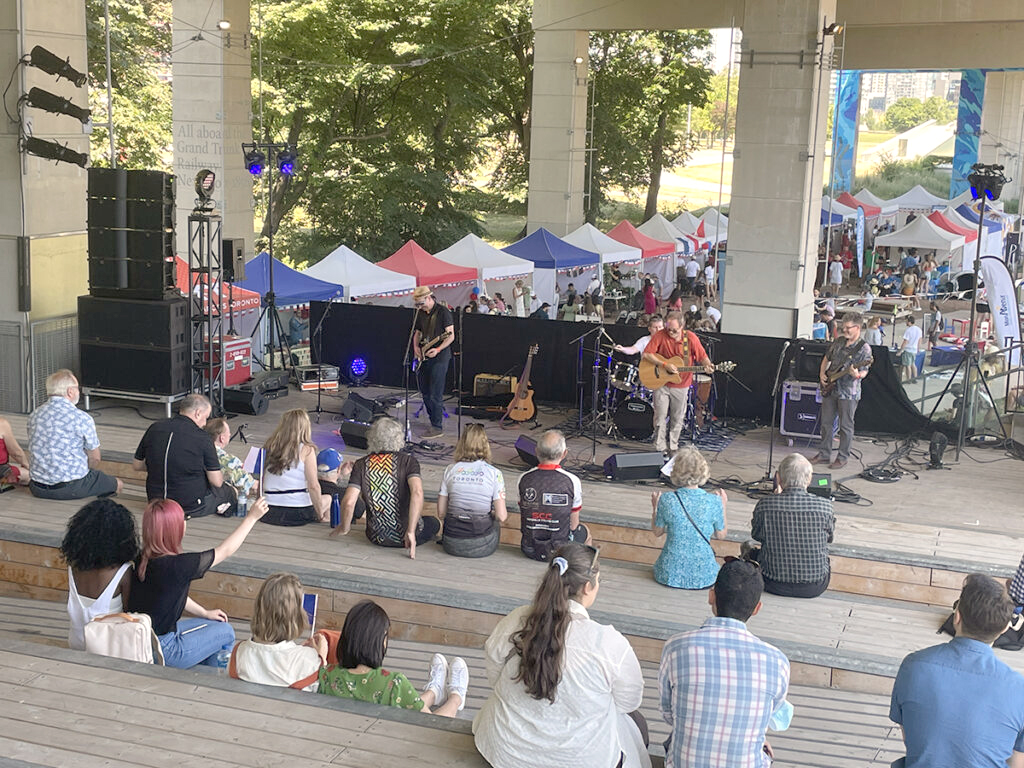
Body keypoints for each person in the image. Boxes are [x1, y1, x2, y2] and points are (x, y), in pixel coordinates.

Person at [474, 543, 651, 768]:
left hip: (505, 749)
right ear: (588, 587)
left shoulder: (519, 618)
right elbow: (628, 701)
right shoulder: (608, 642)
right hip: (578, 760)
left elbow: (493, 656)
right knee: (637, 725)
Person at [659, 559, 791, 768]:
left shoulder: (676, 647)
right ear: (757, 608)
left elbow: (669, 713)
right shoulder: (777, 661)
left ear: (711, 596)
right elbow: (770, 717)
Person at [890, 574, 1024, 768]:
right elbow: (1017, 761)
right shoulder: (1019, 688)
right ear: (1004, 628)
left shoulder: (914, 665)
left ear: (957, 617)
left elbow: (910, 736)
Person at [127, 495, 269, 668]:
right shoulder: (179, 565)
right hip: (165, 651)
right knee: (226, 632)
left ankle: (202, 672)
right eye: (183, 519)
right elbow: (225, 551)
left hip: (139, 640)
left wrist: (204, 612)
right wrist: (251, 518)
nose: (186, 522)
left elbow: (171, 594)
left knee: (215, 623)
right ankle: (210, 677)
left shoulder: (142, 558)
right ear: (174, 529)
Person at [319, 599, 468, 716]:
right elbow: (430, 723)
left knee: (409, 701)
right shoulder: (394, 682)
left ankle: (434, 692)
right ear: (379, 641)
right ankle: (456, 696)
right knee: (433, 716)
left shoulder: (327, 674)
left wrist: (321, 656)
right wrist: (454, 699)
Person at [332, 417, 440, 558]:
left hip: (376, 537)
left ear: (372, 438)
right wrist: (411, 532)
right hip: (406, 538)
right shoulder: (408, 462)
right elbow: (417, 493)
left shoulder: (361, 464)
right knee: (434, 522)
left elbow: (348, 502)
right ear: (399, 438)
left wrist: (344, 528)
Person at [747, 453, 834, 598]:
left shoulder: (764, 505)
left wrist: (775, 499)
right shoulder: (825, 507)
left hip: (771, 582)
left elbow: (757, 535)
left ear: (778, 478)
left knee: (749, 548)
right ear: (810, 479)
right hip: (815, 586)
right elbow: (829, 538)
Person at [133, 393, 235, 518]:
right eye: (206, 417)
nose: (204, 423)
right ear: (198, 413)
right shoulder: (202, 437)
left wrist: (161, 464)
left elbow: (137, 465)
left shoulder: (155, 428)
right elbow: (217, 482)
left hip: (155, 502)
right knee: (229, 491)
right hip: (189, 506)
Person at [27, 369, 121, 500]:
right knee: (117, 484)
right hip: (70, 488)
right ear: (70, 391)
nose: (79, 391)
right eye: (77, 388)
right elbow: (95, 458)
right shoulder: (82, 418)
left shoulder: (34, 415)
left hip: (37, 487)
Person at [60, 498, 140, 650]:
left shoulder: (73, 565)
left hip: (76, 643)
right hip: (107, 647)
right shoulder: (123, 572)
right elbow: (130, 611)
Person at [231, 572, 324, 691]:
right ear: (295, 615)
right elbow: (323, 688)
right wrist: (322, 657)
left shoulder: (239, 652)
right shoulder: (308, 659)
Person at [651, 446, 728, 589]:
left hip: (669, 573)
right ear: (703, 471)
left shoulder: (667, 500)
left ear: (675, 470)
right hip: (705, 575)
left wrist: (655, 508)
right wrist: (723, 507)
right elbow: (721, 535)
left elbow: (657, 532)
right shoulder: (714, 501)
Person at [642, 311, 714, 454]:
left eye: (674, 330)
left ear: (682, 326)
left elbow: (702, 356)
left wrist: (708, 365)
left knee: (677, 417)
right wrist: (664, 365)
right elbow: (647, 354)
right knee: (659, 417)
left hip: (682, 384)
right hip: (661, 383)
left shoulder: (691, 338)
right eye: (668, 329)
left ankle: (673, 446)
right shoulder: (660, 335)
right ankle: (659, 448)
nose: (670, 332)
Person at [518, 430, 591, 561]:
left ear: (536, 451)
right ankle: (584, 572)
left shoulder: (523, 478)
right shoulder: (572, 481)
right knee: (584, 530)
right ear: (564, 454)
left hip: (529, 548)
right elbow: (573, 525)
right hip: (559, 552)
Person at [437, 424, 508, 558]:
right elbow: (502, 516)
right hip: (481, 546)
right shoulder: (494, 473)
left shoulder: (450, 469)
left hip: (451, 544)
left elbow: (441, 513)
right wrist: (490, 513)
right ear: (485, 444)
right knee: (495, 522)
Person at [814, 312, 873, 470]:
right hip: (830, 388)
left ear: (857, 328)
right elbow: (827, 358)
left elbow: (865, 370)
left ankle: (842, 457)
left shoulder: (864, 349)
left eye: (848, 328)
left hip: (848, 392)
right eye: (843, 327)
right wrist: (821, 374)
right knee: (826, 423)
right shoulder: (839, 342)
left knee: (846, 426)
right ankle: (824, 454)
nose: (844, 330)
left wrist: (857, 375)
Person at [260, 409, 329, 526]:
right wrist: (319, 514)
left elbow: (261, 478)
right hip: (297, 511)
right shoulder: (307, 449)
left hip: (268, 510)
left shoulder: (269, 446)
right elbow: (313, 486)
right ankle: (323, 521)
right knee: (328, 499)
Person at [412, 285, 455, 438]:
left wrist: (437, 349)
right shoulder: (421, 313)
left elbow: (450, 336)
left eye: (421, 303)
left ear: (429, 298)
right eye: (417, 304)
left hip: (440, 357)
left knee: (435, 393)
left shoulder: (443, 312)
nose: (419, 306)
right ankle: (432, 420)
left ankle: (437, 426)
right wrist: (416, 347)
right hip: (424, 356)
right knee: (425, 392)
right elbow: (417, 332)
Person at [203, 418, 256, 514]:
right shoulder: (227, 460)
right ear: (222, 438)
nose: (230, 434)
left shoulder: (197, 452)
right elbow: (250, 484)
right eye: (229, 432)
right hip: (218, 496)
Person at [316, 448, 364, 523]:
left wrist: (340, 475)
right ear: (338, 469)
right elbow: (361, 511)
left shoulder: (310, 490)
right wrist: (356, 478)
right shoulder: (344, 495)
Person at [0, 416, 30, 487]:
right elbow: (16, 453)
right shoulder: (2, 424)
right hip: (1, 469)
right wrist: (27, 466)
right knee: (30, 476)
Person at [899, 315, 923, 382]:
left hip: (908, 349)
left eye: (906, 321)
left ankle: (908, 379)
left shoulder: (908, 330)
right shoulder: (919, 330)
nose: (906, 323)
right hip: (914, 350)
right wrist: (918, 349)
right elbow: (920, 340)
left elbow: (905, 341)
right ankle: (915, 378)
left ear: (909, 322)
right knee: (913, 364)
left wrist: (900, 350)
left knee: (908, 365)